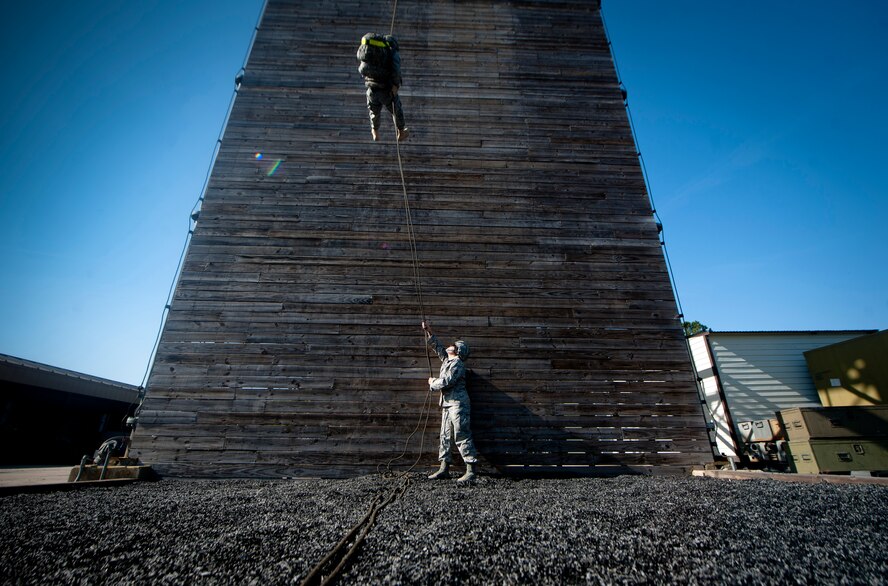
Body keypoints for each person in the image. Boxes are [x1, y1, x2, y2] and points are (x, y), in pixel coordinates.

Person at [421, 321, 478, 483]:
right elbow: (437, 347)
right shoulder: (447, 360)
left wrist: (432, 383)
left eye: (453, 345)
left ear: (458, 351)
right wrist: (429, 331)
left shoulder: (457, 364)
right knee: (445, 436)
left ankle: (471, 470)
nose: (449, 346)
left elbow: (447, 381)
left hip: (458, 404)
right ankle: (443, 469)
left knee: (461, 434)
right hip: (447, 403)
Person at [356, 32, 409, 142]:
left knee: (374, 112)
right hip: (387, 90)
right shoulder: (391, 52)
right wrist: (396, 85)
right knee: (396, 109)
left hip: (371, 89)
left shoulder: (369, 52)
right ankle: (401, 131)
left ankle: (374, 130)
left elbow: (362, 68)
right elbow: (396, 70)